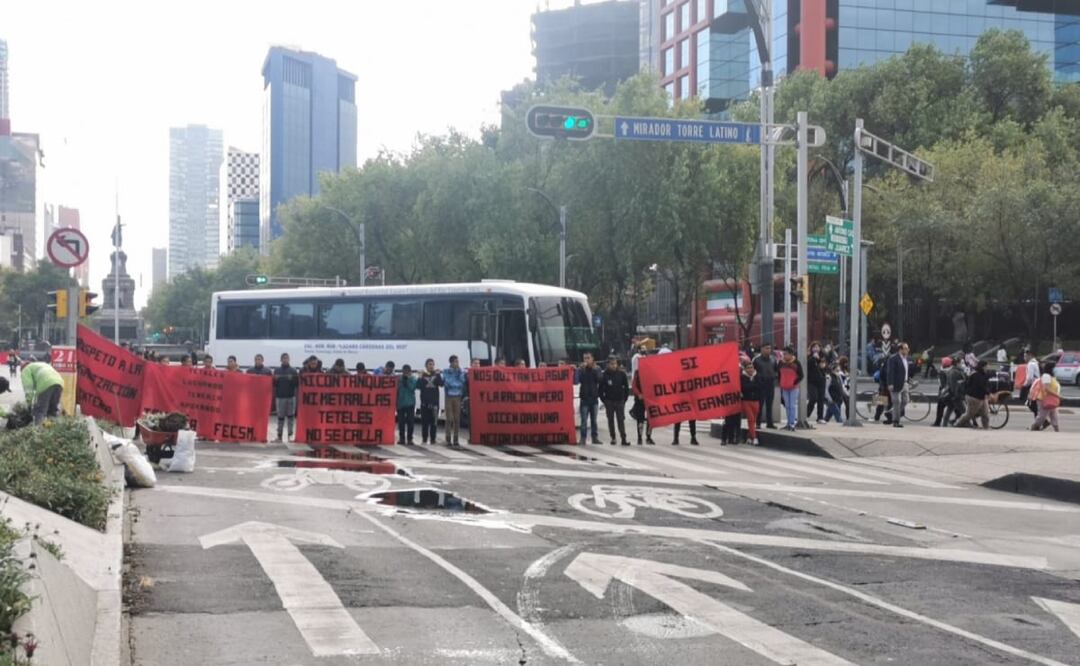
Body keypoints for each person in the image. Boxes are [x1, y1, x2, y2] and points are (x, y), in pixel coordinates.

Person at [598, 357, 630, 446]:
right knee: (610, 420)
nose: (614, 365)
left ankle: (623, 438)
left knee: (621, 420)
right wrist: (604, 400)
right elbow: (600, 389)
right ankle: (613, 438)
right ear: (608, 365)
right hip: (609, 401)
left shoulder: (621, 374)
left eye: (615, 363)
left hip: (620, 401)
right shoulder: (605, 375)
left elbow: (626, 387)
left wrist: (625, 398)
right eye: (612, 364)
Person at [20, 360, 64, 424]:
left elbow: (28, 388)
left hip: (45, 383)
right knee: (52, 410)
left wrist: (29, 404)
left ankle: (39, 431)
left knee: (40, 411)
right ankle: (55, 430)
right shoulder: (40, 364)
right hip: (59, 382)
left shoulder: (26, 370)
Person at [575, 352, 602, 445]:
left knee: (594, 420)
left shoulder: (597, 368)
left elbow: (599, 379)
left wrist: (593, 369)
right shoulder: (581, 369)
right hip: (584, 398)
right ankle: (583, 437)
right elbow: (576, 381)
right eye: (585, 358)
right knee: (584, 420)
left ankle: (595, 437)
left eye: (588, 358)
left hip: (594, 397)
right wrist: (579, 370)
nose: (586, 360)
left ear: (592, 358)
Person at [954, 360, 990, 429]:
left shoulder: (983, 374)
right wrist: (988, 393)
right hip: (973, 397)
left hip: (981, 397)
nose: (988, 367)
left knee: (985, 414)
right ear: (983, 367)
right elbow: (981, 386)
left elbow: (985, 385)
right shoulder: (976, 375)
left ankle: (986, 428)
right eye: (987, 366)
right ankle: (958, 424)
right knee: (969, 414)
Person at [273, 353, 300, 442]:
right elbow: (274, 385)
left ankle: (290, 436)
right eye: (284, 358)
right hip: (280, 397)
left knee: (290, 417)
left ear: (289, 359)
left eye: (287, 358)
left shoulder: (293, 370)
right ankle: (279, 436)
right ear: (281, 360)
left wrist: (292, 379)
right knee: (280, 417)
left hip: (291, 397)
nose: (285, 360)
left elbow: (297, 384)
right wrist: (275, 380)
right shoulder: (277, 371)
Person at [1029, 362, 1061, 432]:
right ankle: (1034, 427)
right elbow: (1046, 388)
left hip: (1052, 399)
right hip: (1043, 399)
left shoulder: (1052, 377)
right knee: (1042, 416)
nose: (1056, 369)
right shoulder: (1046, 376)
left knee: (1054, 415)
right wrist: (1057, 395)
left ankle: (1057, 431)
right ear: (1051, 368)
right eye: (1055, 367)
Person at [417, 359, 442, 444]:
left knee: (434, 423)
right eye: (429, 364)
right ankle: (424, 439)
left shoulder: (436, 374)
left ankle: (433, 439)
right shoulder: (423, 375)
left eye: (432, 364)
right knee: (424, 423)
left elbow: (441, 384)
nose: (431, 366)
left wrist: (438, 375)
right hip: (424, 402)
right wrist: (419, 377)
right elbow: (418, 386)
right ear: (426, 365)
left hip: (434, 403)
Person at [752, 343, 778, 430]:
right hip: (760, 385)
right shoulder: (756, 360)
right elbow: (752, 372)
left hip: (770, 384)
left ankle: (770, 423)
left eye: (769, 348)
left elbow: (776, 370)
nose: (768, 350)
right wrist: (758, 379)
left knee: (769, 404)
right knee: (760, 404)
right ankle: (758, 423)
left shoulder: (773, 359)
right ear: (762, 349)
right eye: (766, 348)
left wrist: (775, 377)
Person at [442, 355, 466, 447]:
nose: (457, 363)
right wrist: (456, 384)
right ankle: (448, 438)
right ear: (451, 363)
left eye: (458, 362)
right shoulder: (446, 371)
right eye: (455, 362)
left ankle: (456, 439)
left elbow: (462, 382)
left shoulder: (460, 372)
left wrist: (459, 373)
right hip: (449, 396)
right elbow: (448, 382)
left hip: (458, 396)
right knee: (449, 418)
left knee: (457, 419)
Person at [886, 342, 911, 428]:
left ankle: (891, 412)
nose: (908, 350)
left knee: (905, 400)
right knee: (897, 402)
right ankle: (896, 421)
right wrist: (890, 383)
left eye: (908, 348)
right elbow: (890, 372)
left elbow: (905, 371)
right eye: (906, 348)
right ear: (900, 349)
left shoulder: (905, 359)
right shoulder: (893, 358)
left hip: (905, 383)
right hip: (896, 384)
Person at [778, 346, 803, 431]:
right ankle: (788, 423)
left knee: (792, 405)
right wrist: (780, 382)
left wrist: (794, 382)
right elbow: (778, 373)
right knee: (787, 405)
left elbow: (801, 375)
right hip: (784, 387)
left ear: (791, 354)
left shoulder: (796, 363)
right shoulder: (781, 363)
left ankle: (792, 424)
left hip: (794, 387)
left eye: (786, 354)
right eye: (783, 354)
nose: (784, 356)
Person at [933, 357, 961, 426]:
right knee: (955, 407)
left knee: (942, 408)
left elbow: (943, 384)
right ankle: (956, 420)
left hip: (945, 392)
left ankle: (938, 422)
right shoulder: (951, 370)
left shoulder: (943, 371)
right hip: (949, 391)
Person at [630, 372, 654, 445]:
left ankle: (648, 437)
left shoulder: (651, 372)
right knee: (640, 419)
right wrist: (638, 394)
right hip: (640, 399)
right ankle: (639, 438)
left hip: (650, 398)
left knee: (651, 419)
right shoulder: (637, 373)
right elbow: (634, 385)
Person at [740, 361, 761, 445]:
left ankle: (749, 437)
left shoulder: (757, 376)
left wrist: (751, 385)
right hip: (746, 401)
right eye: (748, 368)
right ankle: (754, 437)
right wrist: (753, 385)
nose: (750, 369)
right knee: (751, 419)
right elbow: (744, 387)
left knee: (753, 420)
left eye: (751, 367)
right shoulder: (742, 377)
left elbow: (760, 386)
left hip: (756, 400)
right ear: (745, 369)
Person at [396, 364, 418, 444]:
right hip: (400, 403)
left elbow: (412, 388)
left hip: (410, 403)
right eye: (404, 372)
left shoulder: (413, 379)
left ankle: (410, 439)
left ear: (410, 372)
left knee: (410, 422)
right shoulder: (399, 379)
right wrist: (400, 381)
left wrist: (407, 380)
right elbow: (396, 389)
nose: (405, 373)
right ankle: (402, 438)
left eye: (407, 372)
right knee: (401, 422)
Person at [806, 343, 826, 423]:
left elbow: (824, 367)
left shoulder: (822, 356)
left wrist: (821, 363)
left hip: (821, 380)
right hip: (811, 381)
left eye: (817, 347)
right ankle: (806, 414)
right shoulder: (809, 357)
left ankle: (820, 417)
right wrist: (813, 358)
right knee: (813, 398)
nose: (816, 348)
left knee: (821, 399)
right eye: (814, 347)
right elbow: (806, 365)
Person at [1018, 349, 1040, 416]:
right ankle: (1039, 422)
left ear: (1030, 356)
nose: (1024, 358)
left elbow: (1030, 378)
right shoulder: (1036, 362)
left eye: (1025, 356)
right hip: (1037, 385)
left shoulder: (1031, 364)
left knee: (1030, 403)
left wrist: (1024, 385)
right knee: (1033, 404)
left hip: (1033, 386)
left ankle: (1041, 421)